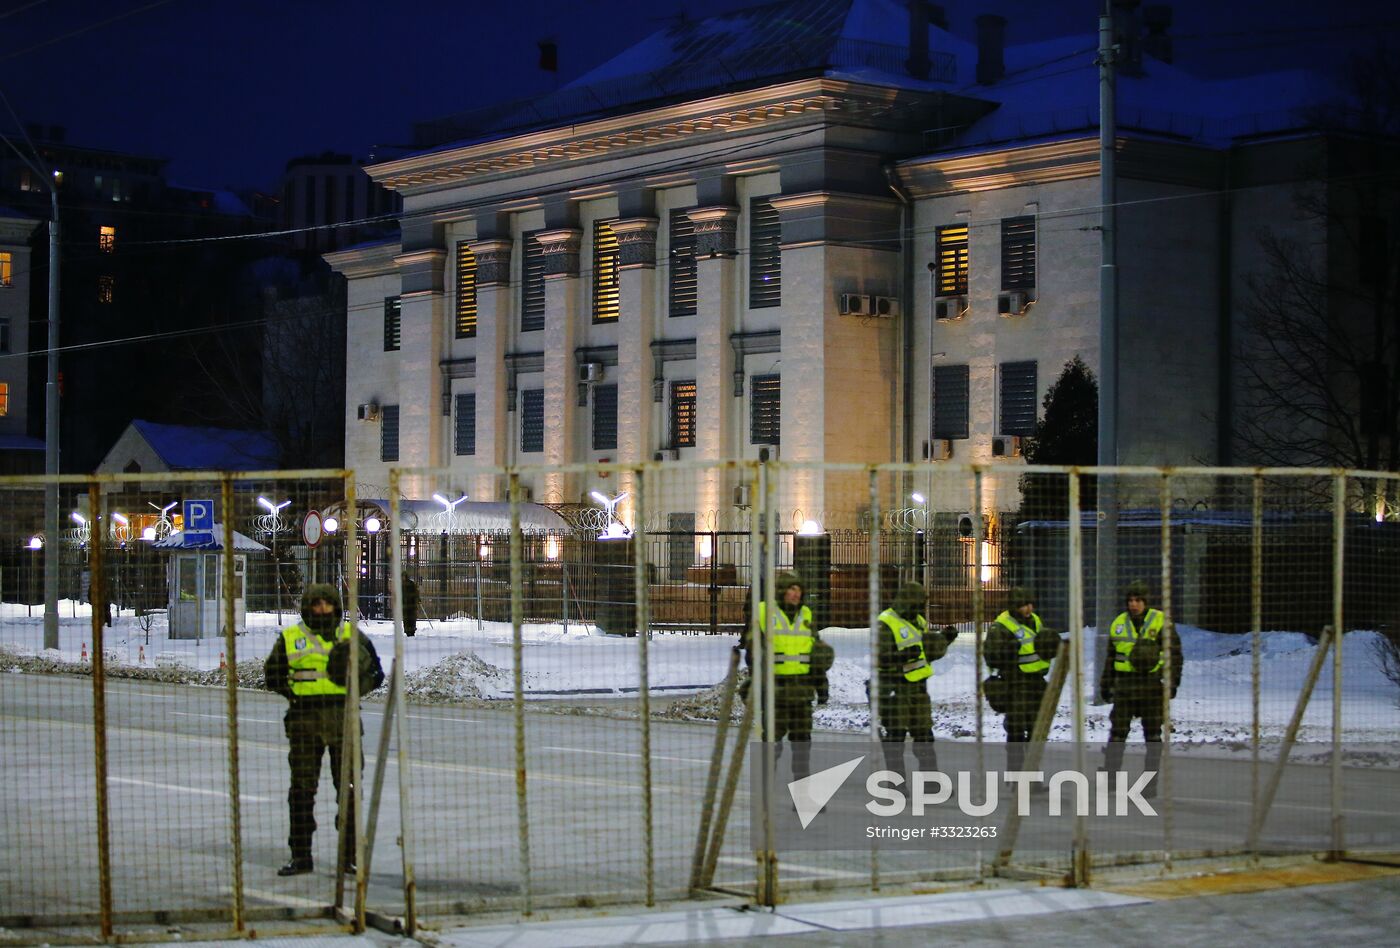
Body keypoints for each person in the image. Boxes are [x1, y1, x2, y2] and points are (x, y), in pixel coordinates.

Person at [264, 583, 384, 877]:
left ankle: (349, 857)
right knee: (302, 791)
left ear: (335, 606)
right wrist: (294, 695)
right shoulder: (291, 637)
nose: (321, 609)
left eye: (326, 604)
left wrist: (355, 689)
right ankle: (301, 856)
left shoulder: (351, 635)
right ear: (307, 608)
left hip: (343, 720)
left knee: (349, 791)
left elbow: (376, 673)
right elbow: (273, 674)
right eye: (316, 604)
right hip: (304, 722)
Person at [740, 571, 832, 784]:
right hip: (775, 692)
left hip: (802, 692)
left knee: (802, 746)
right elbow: (752, 652)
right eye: (792, 589)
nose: (796, 594)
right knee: (771, 744)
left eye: (799, 589)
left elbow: (814, 654)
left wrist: (821, 685)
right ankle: (766, 789)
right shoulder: (764, 612)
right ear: (782, 591)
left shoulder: (806, 614)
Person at [1099, 579, 1182, 797]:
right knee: (1117, 734)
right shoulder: (1118, 623)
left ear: (1146, 601)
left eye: (1138, 600)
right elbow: (1111, 658)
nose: (1133, 604)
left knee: (1153, 737)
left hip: (1151, 686)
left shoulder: (1161, 622)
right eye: (1130, 600)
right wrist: (1105, 684)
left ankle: (1149, 784)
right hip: (1125, 686)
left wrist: (1172, 682)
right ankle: (1110, 779)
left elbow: (1175, 655)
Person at [875, 581, 959, 778]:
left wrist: (943, 640)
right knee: (895, 738)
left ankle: (931, 784)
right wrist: (902, 656)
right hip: (895, 689)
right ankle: (896, 784)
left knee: (924, 738)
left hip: (919, 688)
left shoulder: (918, 621)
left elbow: (924, 652)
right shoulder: (886, 622)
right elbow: (880, 657)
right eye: (918, 603)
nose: (921, 607)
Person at [984, 587, 1061, 774]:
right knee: (1016, 733)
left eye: (1030, 604)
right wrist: (1007, 652)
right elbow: (991, 657)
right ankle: (1016, 777)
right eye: (1023, 605)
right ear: (1013, 606)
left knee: (1036, 732)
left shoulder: (1035, 620)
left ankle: (1032, 776)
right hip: (1015, 684)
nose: (1028, 609)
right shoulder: (1001, 626)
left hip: (1036, 683)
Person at [400, 572, 420, 637]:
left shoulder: (411, 584)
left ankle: (412, 631)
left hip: (412, 604)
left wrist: (417, 599)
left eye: (404, 576)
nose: (403, 578)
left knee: (412, 619)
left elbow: (416, 592)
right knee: (406, 619)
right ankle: (407, 631)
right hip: (404, 605)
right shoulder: (401, 584)